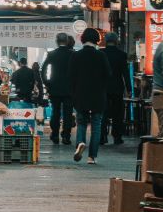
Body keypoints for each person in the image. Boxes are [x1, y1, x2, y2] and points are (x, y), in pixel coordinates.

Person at [69, 28, 112, 165]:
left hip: (80, 95)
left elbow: (70, 76)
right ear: (97, 40)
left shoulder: (76, 56)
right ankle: (92, 157)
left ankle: (80, 143)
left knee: (81, 123)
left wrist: (74, 93)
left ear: (83, 39)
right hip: (98, 95)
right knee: (96, 125)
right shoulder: (101, 55)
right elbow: (108, 75)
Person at [42, 33, 74, 144]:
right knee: (68, 114)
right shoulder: (73, 54)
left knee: (55, 112)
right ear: (67, 41)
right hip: (69, 89)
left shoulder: (51, 54)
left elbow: (44, 69)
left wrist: (47, 82)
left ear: (57, 41)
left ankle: (55, 134)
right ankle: (66, 136)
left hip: (54, 88)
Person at [101, 32, 130, 145]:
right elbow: (125, 73)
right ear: (117, 41)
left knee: (103, 112)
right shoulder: (121, 54)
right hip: (118, 87)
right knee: (118, 113)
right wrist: (129, 88)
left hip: (103, 88)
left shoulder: (101, 53)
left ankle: (102, 136)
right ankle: (117, 137)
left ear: (106, 41)